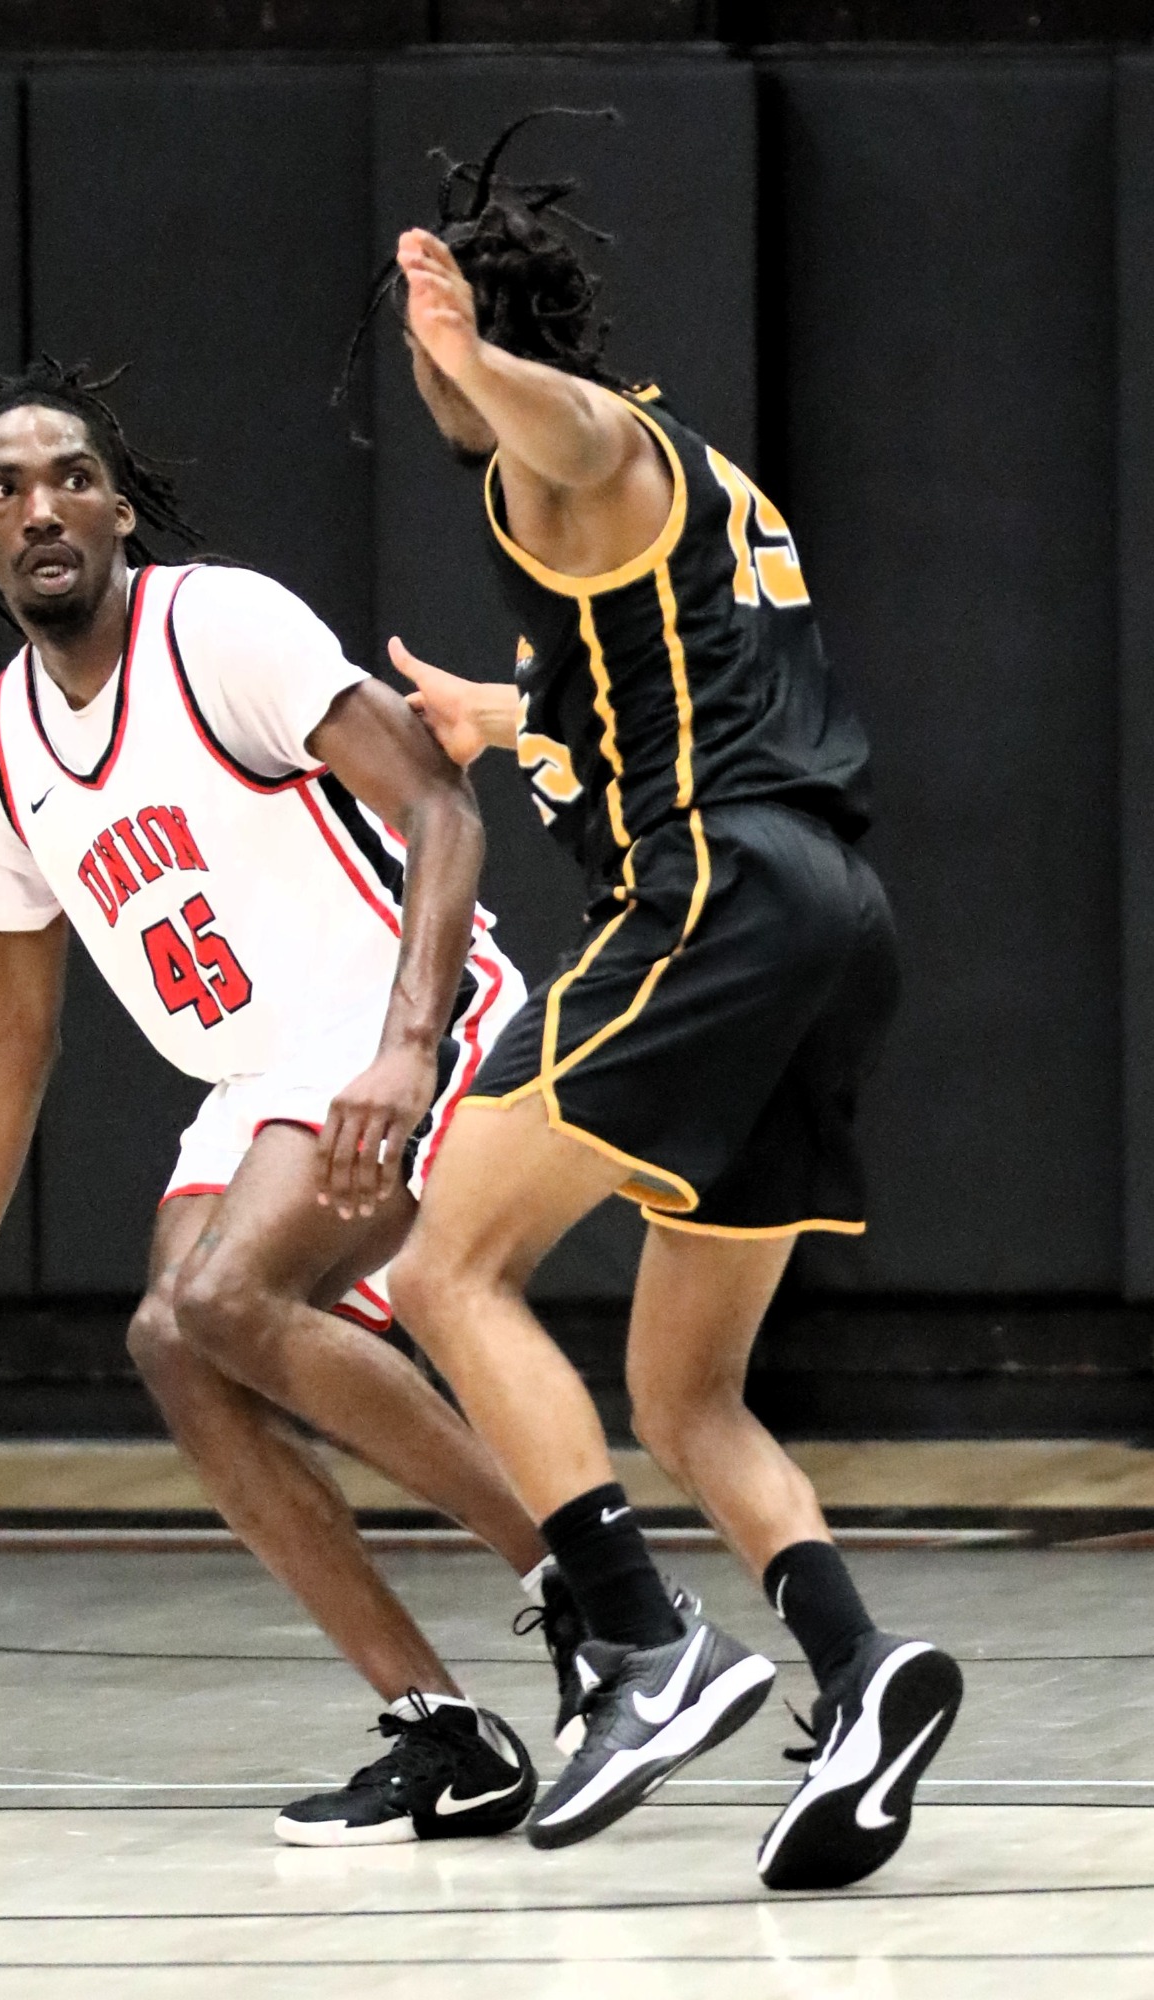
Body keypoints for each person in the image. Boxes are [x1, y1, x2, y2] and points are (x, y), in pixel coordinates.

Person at [0, 345, 583, 1848]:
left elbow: (436, 801)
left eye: (71, 479)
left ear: (118, 514)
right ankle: (444, 1732)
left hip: (395, 1011)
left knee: (222, 1302)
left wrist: (408, 1042)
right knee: (175, 1343)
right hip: (250, 1078)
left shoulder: (215, 626)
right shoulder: (0, 754)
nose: (41, 507)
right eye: (4, 488)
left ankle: (605, 1602)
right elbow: (7, 1049)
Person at [376, 115, 963, 1888]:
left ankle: (640, 1645)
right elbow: (666, 701)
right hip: (826, 918)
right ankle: (860, 1677)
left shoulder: (586, 454)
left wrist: (472, 359)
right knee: (684, 1393)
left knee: (440, 1265)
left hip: (716, 899)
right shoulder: (690, 511)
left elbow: (582, 430)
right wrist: (498, 715)